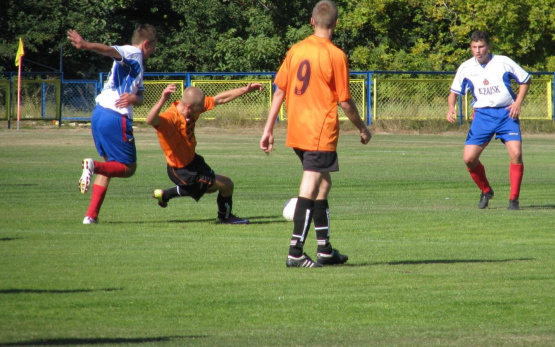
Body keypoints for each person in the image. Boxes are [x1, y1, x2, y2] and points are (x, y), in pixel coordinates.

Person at [260, 0, 372, 268]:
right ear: (335, 24)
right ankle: (295, 251)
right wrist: (363, 127)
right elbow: (345, 101)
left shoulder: (296, 50)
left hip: (297, 128)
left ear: (312, 22)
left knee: (323, 184)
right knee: (310, 185)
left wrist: (268, 128)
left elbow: (279, 91)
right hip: (319, 131)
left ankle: (325, 250)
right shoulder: (335, 55)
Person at [67, 25, 157, 224]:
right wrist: (86, 45)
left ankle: (91, 216)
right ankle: (92, 165)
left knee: (110, 166)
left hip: (99, 114)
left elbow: (140, 97)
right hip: (115, 116)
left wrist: (134, 99)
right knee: (128, 168)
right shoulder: (133, 52)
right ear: (146, 43)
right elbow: (111, 51)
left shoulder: (138, 64)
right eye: (152, 48)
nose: (152, 52)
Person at [146, 83, 262, 224]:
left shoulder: (193, 107)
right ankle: (225, 217)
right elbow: (150, 120)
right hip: (182, 170)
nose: (202, 110)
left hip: (194, 161)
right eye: (199, 108)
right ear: (189, 107)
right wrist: (163, 98)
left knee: (211, 187)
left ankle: (165, 195)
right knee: (226, 184)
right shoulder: (171, 118)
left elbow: (219, 99)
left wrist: (245, 90)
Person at [446, 30, 531, 210]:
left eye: (481, 46)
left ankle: (514, 200)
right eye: (474, 47)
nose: (478, 50)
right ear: (471, 47)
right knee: (469, 159)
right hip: (482, 116)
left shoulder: (503, 62)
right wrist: (451, 107)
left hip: (506, 114)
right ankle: (486, 190)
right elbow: (453, 92)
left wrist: (518, 103)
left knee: (516, 154)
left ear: (488, 46)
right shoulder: (466, 67)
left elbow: (525, 80)